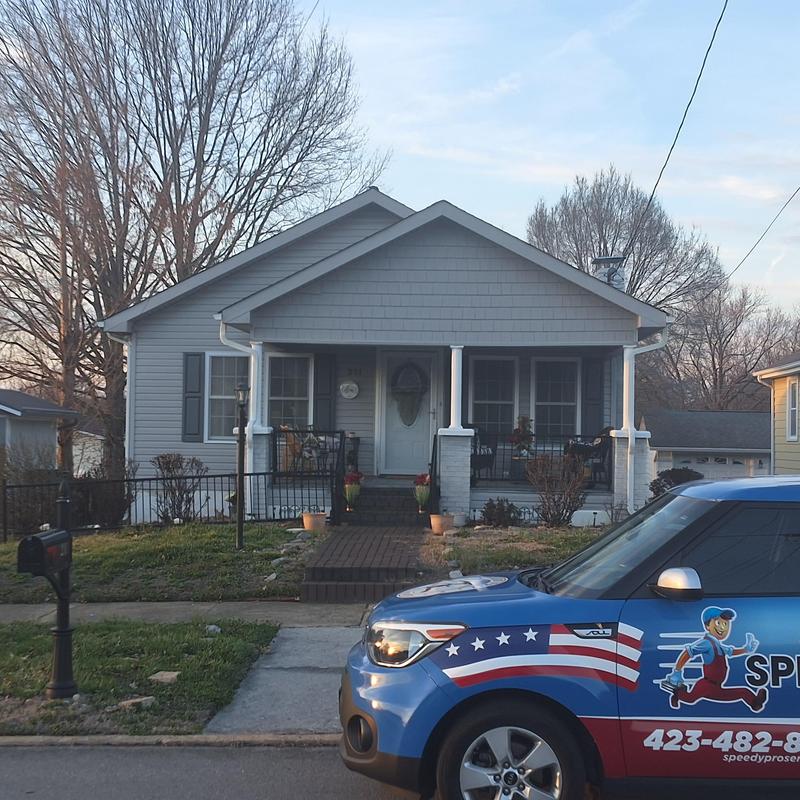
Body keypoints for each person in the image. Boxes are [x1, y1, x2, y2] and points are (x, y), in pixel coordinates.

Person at [662, 607, 767, 711]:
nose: (722, 627)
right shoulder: (706, 643)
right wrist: (677, 671)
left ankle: (755, 702)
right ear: (707, 626)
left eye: (725, 624)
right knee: (690, 698)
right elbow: (688, 652)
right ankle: (678, 694)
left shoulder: (718, 645)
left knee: (743, 692)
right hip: (706, 685)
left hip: (716, 687)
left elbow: (730, 651)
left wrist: (745, 649)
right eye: (718, 623)